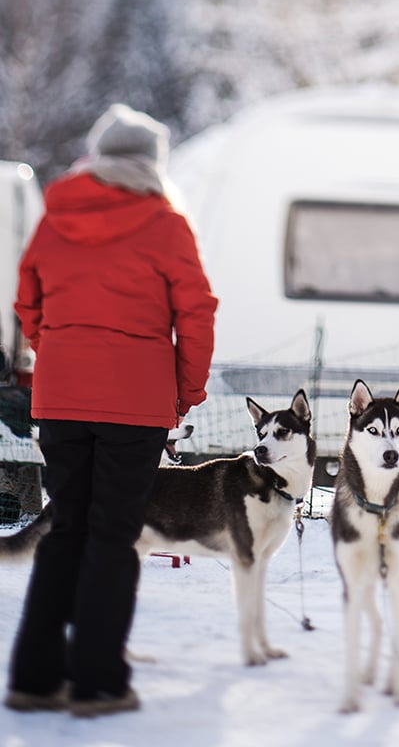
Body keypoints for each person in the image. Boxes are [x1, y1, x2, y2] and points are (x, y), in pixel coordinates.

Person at [4, 104, 217, 718]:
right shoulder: (165, 222)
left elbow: (28, 299)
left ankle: (35, 677)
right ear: (152, 163)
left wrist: (60, 349)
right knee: (112, 538)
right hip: (134, 403)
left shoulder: (57, 214)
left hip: (61, 400)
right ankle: (98, 682)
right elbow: (196, 314)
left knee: (67, 531)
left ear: (98, 155)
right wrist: (185, 391)